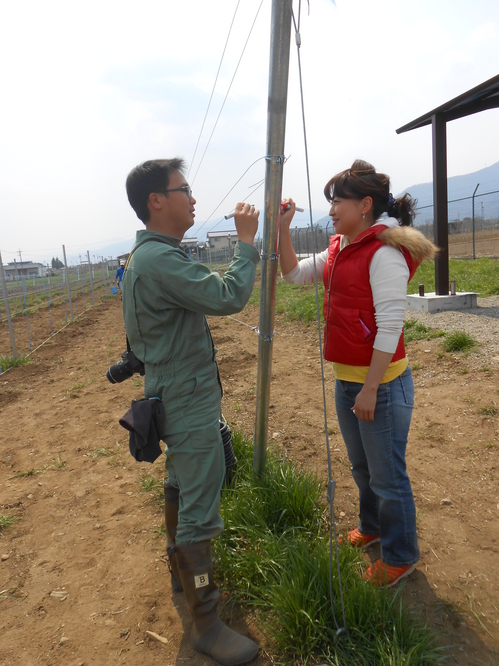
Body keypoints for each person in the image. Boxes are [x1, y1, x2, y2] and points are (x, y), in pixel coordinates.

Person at [122, 158, 260, 665]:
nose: (193, 197)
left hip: (173, 387)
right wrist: (247, 241)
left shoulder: (151, 257)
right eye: (184, 189)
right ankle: (206, 623)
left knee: (180, 482)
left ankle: (180, 575)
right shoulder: (160, 260)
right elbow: (229, 296)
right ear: (157, 201)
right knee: (200, 502)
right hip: (187, 393)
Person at [278, 159, 437, 588]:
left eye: (338, 202)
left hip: (380, 386)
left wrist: (369, 388)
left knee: (388, 474)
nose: (331, 210)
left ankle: (401, 555)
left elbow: (390, 326)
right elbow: (292, 274)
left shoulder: (384, 253)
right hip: (350, 381)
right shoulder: (339, 248)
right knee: (363, 467)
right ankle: (373, 527)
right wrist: (282, 230)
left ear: (365, 205)